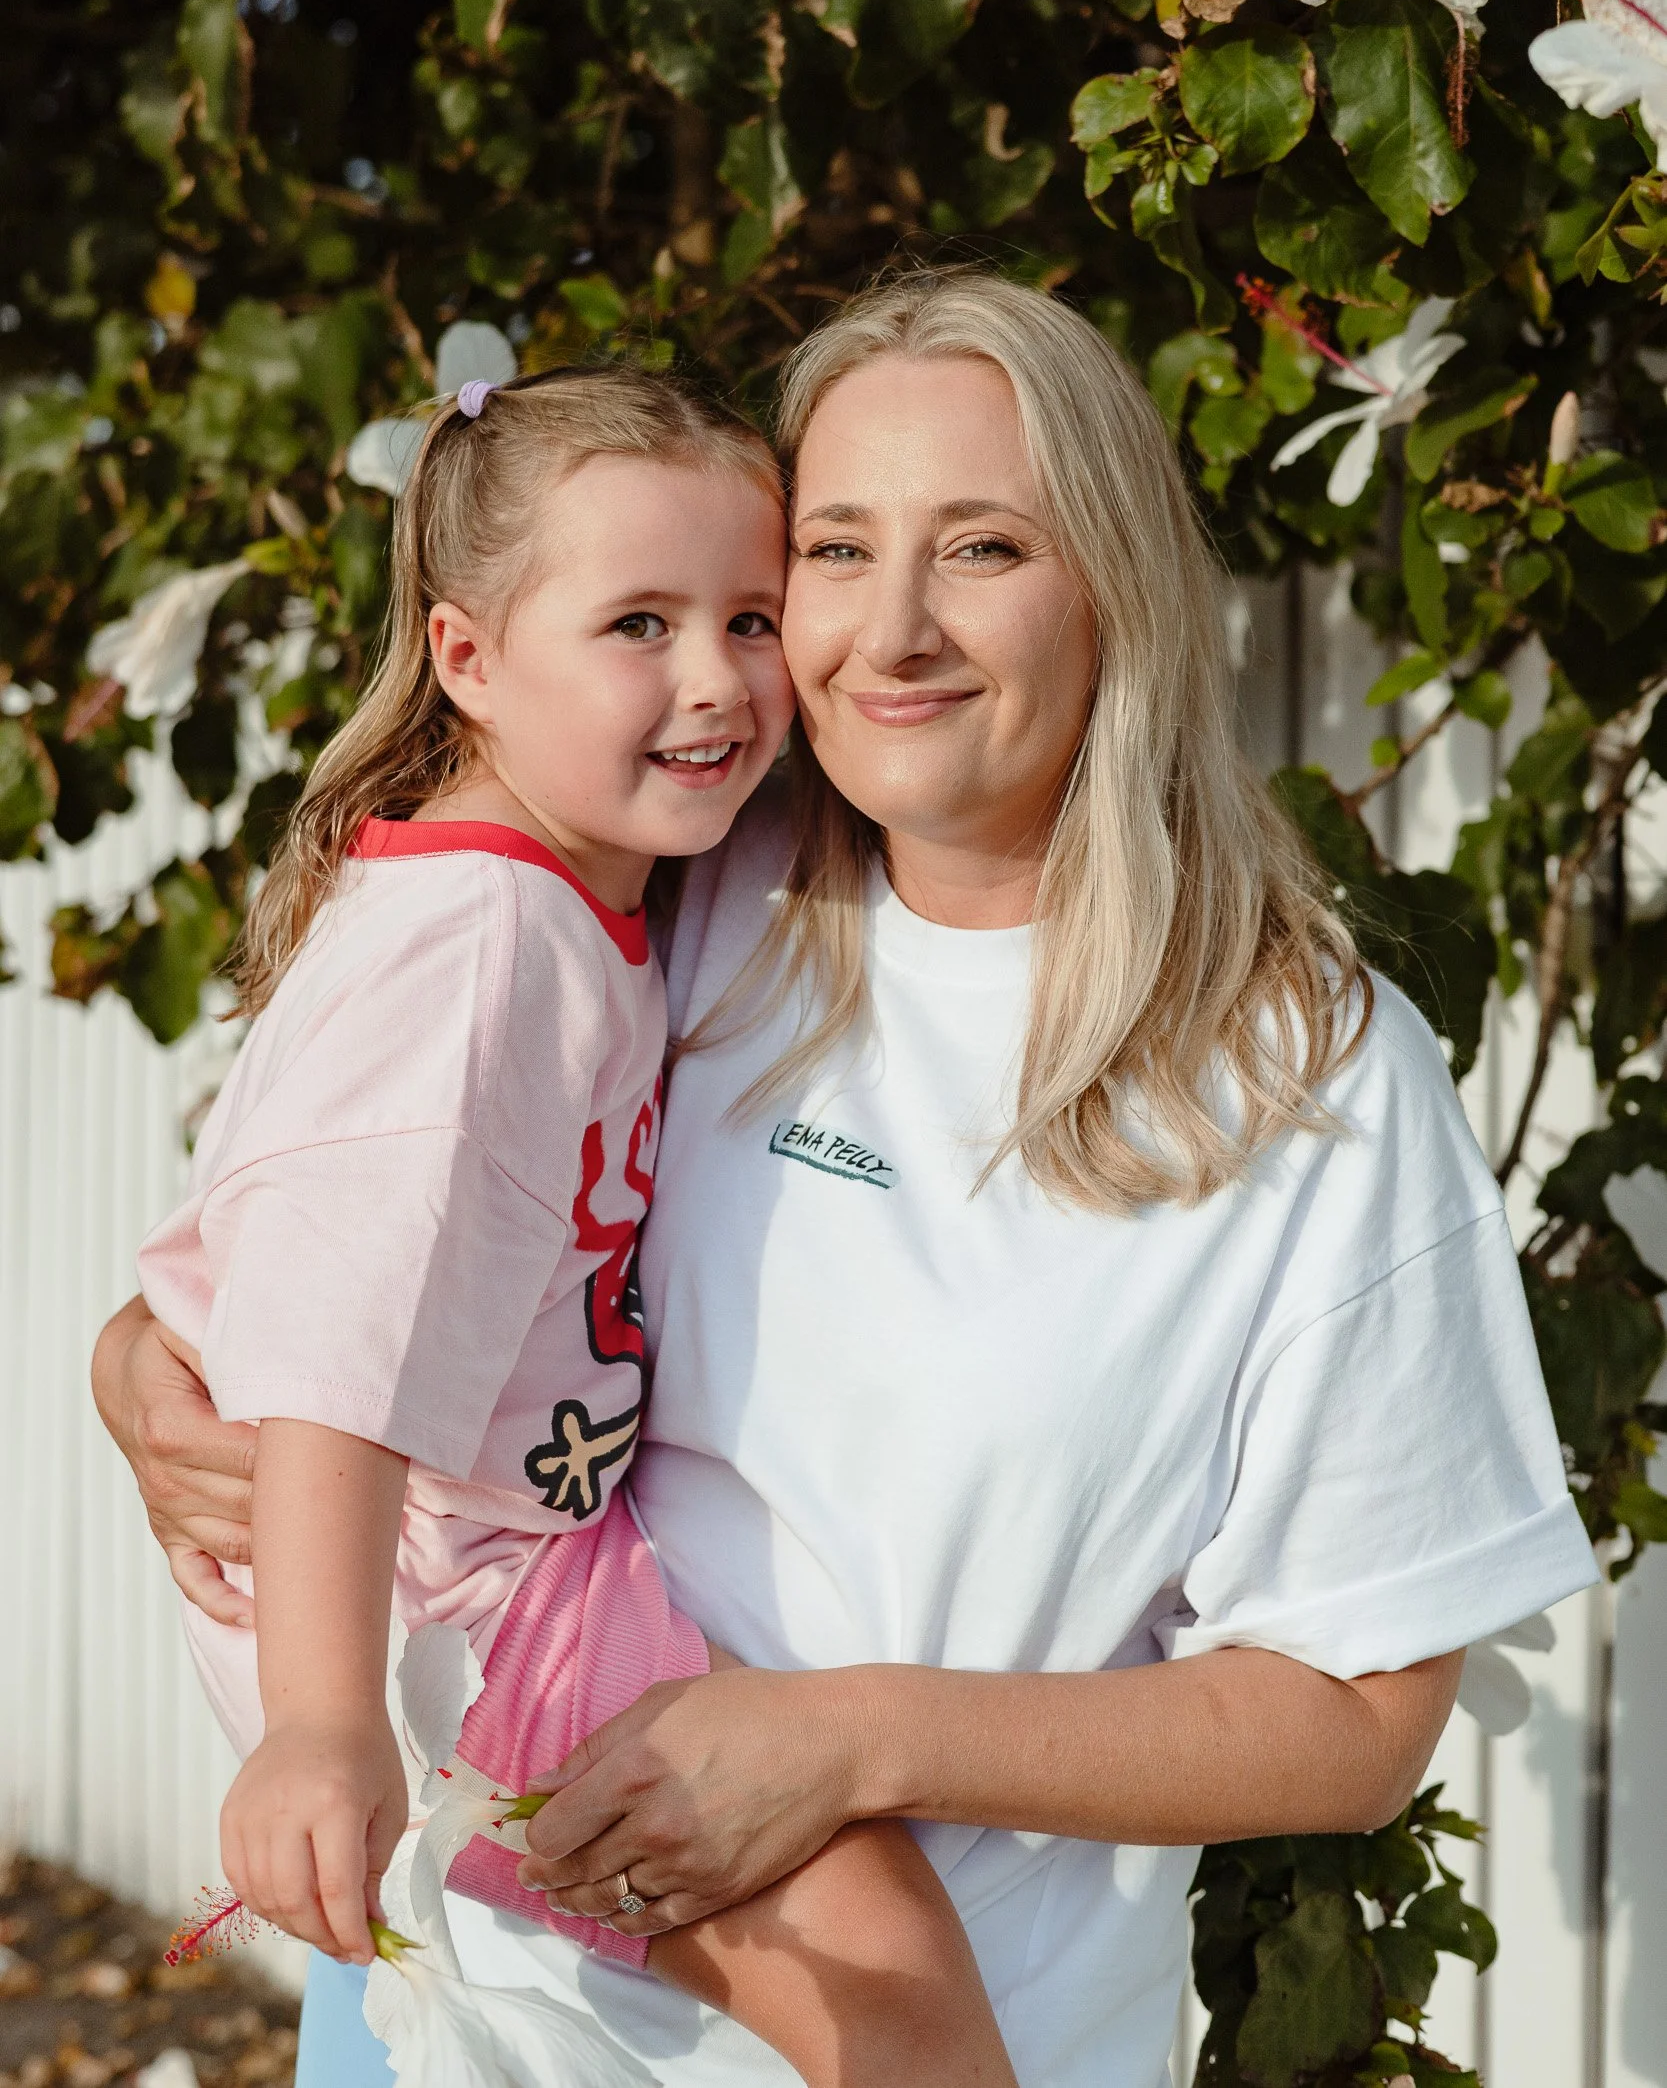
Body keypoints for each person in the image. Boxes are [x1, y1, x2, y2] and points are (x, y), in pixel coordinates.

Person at [97, 274, 1598, 2088]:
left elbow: (1354, 1727)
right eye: (833, 549)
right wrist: (146, 1366)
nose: (891, 630)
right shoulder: (687, 881)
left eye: (981, 547)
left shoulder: (1308, 1074)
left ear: (1114, 582)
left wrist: (856, 1739)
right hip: (457, 2010)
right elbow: (361, 1200)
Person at [127, 360, 1026, 2088]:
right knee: (888, 1976)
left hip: (490, 1564)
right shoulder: (480, 956)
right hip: (451, 1611)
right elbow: (333, 1360)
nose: (715, 680)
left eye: (750, 618)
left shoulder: (572, 892)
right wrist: (322, 1720)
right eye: (637, 625)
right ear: (467, 659)